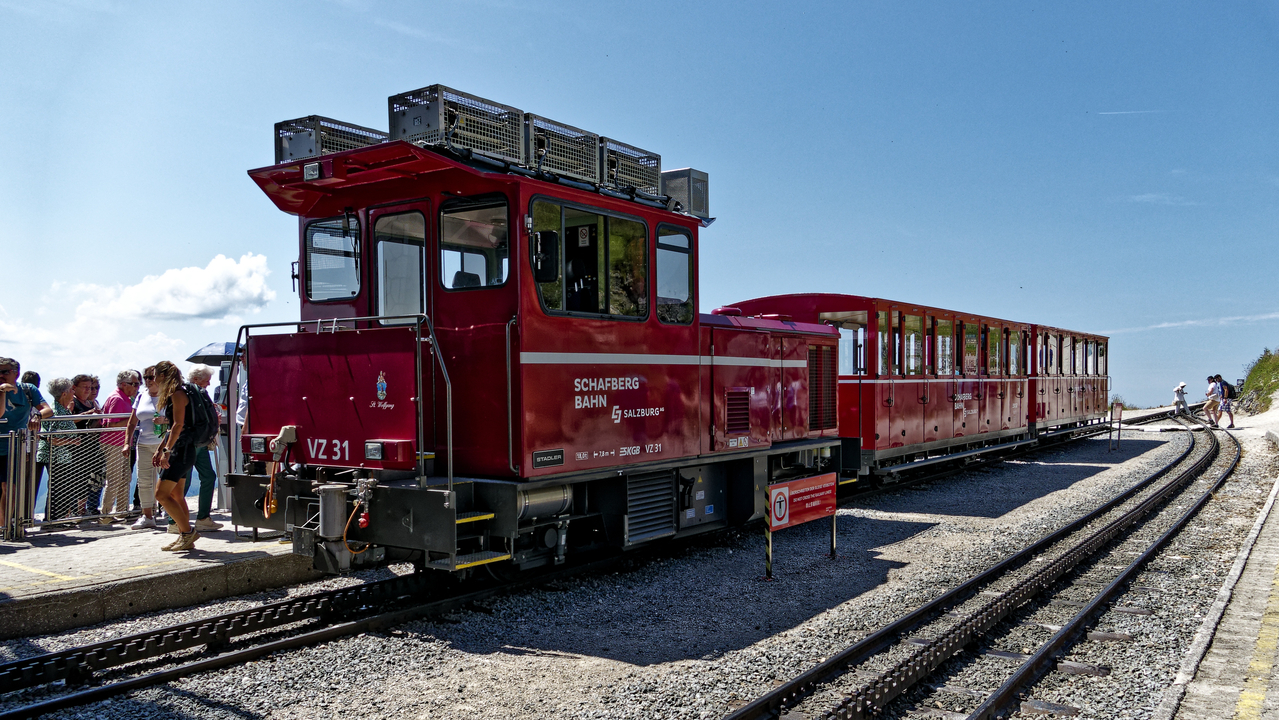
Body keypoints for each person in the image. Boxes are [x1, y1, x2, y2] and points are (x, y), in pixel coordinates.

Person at [0, 358, 52, 531]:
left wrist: (37, 416)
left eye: (5, 372)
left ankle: (5, 526)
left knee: (10, 487)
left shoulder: (28, 390)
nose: (1, 375)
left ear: (16, 373)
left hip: (14, 447)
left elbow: (47, 409)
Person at [152, 361, 198, 551]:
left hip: (181, 451)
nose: (153, 379)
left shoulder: (178, 394)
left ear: (163, 376)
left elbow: (178, 425)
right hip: (182, 449)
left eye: (155, 375)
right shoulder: (175, 394)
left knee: (160, 494)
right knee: (176, 495)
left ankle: (188, 533)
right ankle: (184, 536)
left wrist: (167, 451)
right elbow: (172, 427)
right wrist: (161, 447)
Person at [125, 367, 164, 529]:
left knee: (166, 480)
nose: (148, 380)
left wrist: (165, 420)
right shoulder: (141, 396)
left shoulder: (167, 396)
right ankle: (147, 515)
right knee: (144, 481)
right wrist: (127, 442)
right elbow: (132, 422)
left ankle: (170, 513)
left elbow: (178, 419)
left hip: (163, 443)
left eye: (151, 377)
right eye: (145, 377)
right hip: (143, 443)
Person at [187, 364, 223, 532]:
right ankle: (196, 518)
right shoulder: (193, 394)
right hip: (195, 442)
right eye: (207, 381)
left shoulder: (192, 393)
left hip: (196, 441)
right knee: (188, 480)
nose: (209, 384)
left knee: (206, 476)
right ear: (196, 380)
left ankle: (201, 517)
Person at [36, 377, 78, 521]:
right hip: (55, 456)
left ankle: (56, 518)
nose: (74, 392)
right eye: (71, 390)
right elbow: (51, 438)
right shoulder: (56, 412)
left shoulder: (62, 410)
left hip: (61, 456)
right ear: (64, 393)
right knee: (58, 488)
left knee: (61, 487)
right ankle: (53, 519)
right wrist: (72, 441)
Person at [100, 370, 140, 516]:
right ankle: (105, 514)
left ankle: (122, 512)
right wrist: (133, 419)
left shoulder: (125, 398)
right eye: (134, 384)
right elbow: (111, 424)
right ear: (124, 384)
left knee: (125, 478)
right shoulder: (117, 398)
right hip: (113, 443)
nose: (137, 387)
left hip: (122, 443)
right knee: (114, 479)